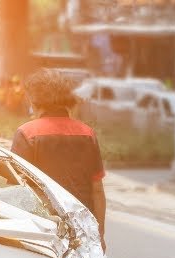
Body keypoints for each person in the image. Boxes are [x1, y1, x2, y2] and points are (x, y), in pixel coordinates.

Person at [10, 69, 107, 247]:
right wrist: (99, 235)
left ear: (33, 100)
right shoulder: (87, 133)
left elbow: (18, 189)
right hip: (81, 229)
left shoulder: (27, 133)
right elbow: (97, 190)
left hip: (43, 228)